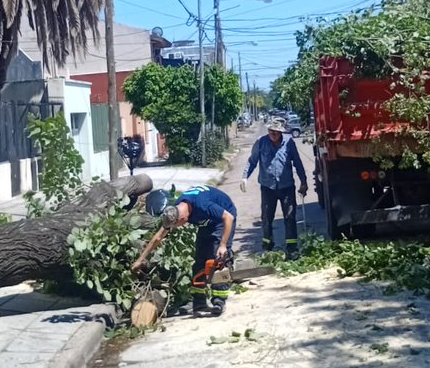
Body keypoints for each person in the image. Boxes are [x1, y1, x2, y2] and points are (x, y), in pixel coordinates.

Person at [132, 185, 237, 316]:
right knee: (200, 261)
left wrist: (223, 245)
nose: (178, 227)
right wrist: (140, 260)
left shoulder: (202, 205)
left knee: (217, 260)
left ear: (182, 219)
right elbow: (158, 237)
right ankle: (199, 302)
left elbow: (229, 218)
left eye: (178, 225)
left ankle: (219, 301)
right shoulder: (175, 210)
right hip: (206, 223)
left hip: (223, 218)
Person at [241, 118, 308, 259]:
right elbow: (252, 161)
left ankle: (292, 249)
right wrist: (245, 177)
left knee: (289, 217)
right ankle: (268, 247)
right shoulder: (261, 142)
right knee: (266, 218)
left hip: (287, 187)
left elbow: (297, 162)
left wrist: (303, 181)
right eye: (271, 131)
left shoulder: (289, 143)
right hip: (267, 187)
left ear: (281, 132)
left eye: (276, 132)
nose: (273, 134)